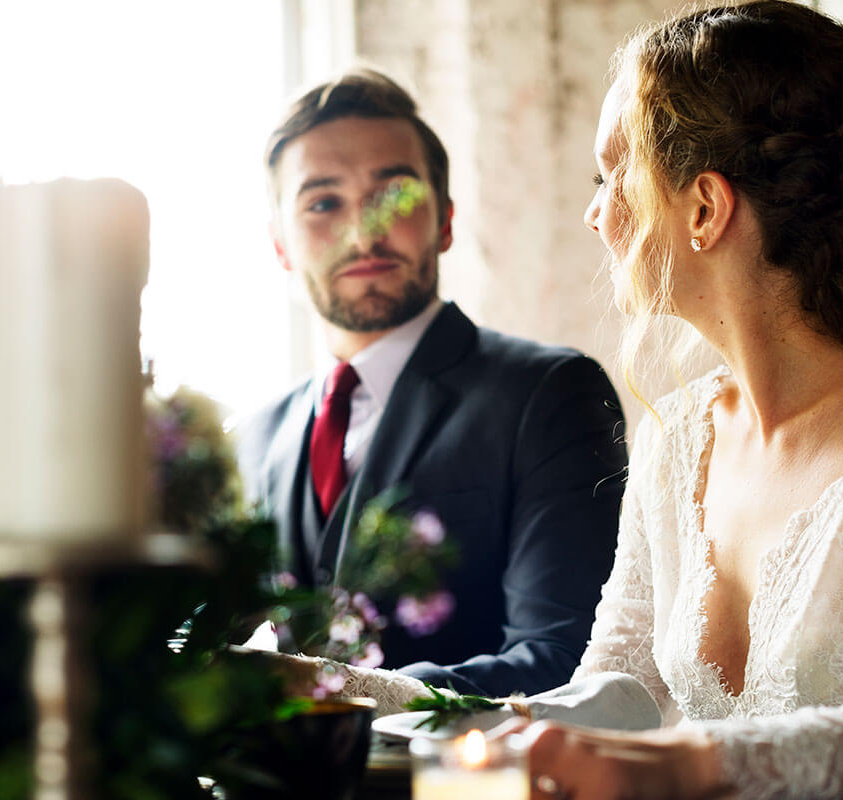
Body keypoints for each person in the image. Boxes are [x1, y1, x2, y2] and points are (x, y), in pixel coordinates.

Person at [324, 3, 843, 798]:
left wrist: (694, 762)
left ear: (705, 208)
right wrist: (343, 692)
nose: (595, 212)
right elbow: (606, 700)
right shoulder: (677, 437)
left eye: (613, 173)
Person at [234, 68, 628, 699]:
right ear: (280, 243)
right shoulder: (253, 438)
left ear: (445, 220)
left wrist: (342, 693)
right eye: (323, 202)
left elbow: (569, 662)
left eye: (396, 193)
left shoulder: (551, 393)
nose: (363, 232)